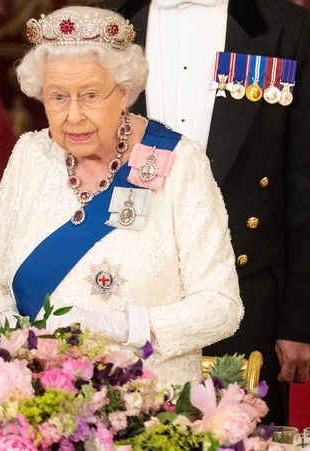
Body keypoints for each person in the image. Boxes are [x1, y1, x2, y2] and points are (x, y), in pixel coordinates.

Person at [0, 6, 243, 387]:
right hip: (41, 397)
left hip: (149, 405)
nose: (73, 116)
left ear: (124, 93)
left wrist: (124, 327)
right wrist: (13, 335)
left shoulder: (179, 161)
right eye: (57, 97)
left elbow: (221, 306)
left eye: (91, 95)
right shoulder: (29, 155)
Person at [114, 0, 310, 423]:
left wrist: (300, 318)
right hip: (128, 292)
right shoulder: (110, 20)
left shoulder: (285, 26)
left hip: (247, 293)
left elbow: (304, 181)